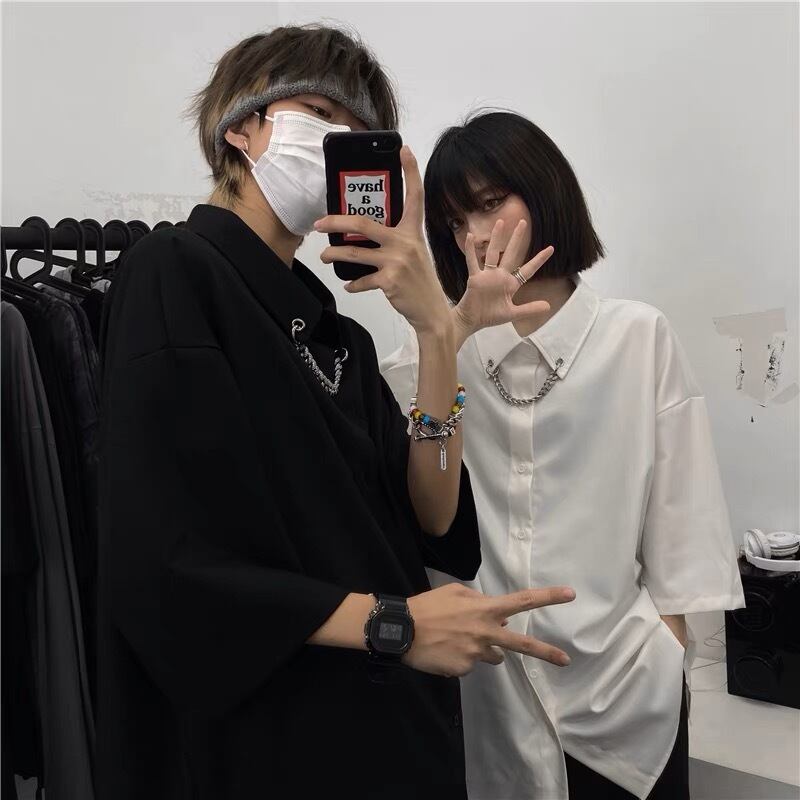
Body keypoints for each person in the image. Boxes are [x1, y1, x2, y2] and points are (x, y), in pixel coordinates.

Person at [95, 28, 575, 800]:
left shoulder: (337, 336)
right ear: (240, 127)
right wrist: (397, 624)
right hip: (283, 742)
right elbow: (168, 563)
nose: (336, 142)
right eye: (319, 113)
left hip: (391, 730)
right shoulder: (174, 272)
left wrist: (438, 332)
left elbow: (432, 516)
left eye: (358, 135)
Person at [380, 110, 745, 799]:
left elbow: (684, 524)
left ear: (546, 191)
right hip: (487, 707)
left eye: (491, 202)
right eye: (455, 222)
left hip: (627, 705)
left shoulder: (638, 337)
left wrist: (667, 652)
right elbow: (427, 514)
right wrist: (448, 336)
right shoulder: (430, 354)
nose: (476, 234)